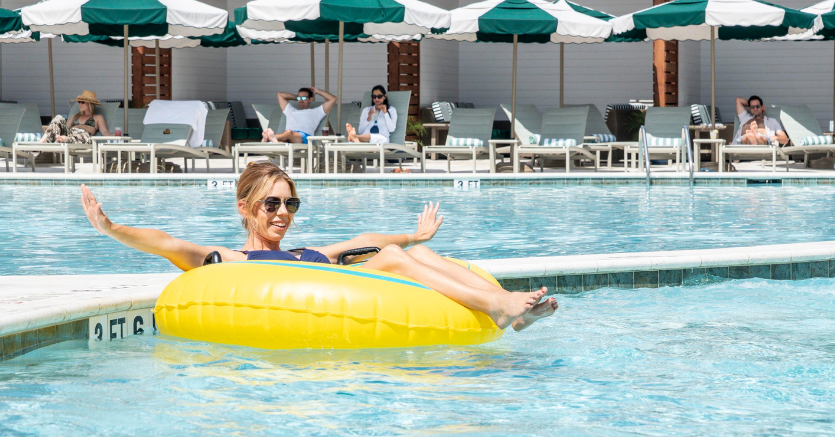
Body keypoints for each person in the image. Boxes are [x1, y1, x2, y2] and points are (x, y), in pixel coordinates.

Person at [79, 162, 556, 332]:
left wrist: (414, 237)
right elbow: (167, 243)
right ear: (245, 208)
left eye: (291, 203)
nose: (282, 213)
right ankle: (498, 306)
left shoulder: (309, 255)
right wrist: (111, 228)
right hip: (324, 300)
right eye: (271, 204)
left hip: (352, 286)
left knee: (419, 258)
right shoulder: (226, 260)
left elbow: (363, 241)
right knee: (390, 260)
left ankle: (508, 313)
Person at [262, 86, 337, 144]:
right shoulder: (290, 110)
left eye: (304, 98)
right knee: (282, 142)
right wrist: (299, 98)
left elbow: (333, 99)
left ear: (310, 99)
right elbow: (280, 95)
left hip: (304, 137)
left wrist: (317, 91)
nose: (300, 100)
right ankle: (274, 140)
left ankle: (269, 138)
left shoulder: (316, 112)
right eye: (299, 98)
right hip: (287, 138)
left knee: (289, 133)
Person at [42, 90, 111, 144]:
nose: (80, 104)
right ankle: (43, 140)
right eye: (79, 102)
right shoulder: (75, 116)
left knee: (85, 137)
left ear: (90, 104)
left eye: (82, 102)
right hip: (70, 134)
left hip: (83, 137)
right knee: (58, 117)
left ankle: (66, 139)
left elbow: (105, 132)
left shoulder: (98, 117)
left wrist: (115, 136)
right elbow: (66, 128)